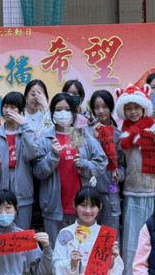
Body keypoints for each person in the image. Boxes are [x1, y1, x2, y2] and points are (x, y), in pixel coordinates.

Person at [34, 92, 108, 245]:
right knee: (57, 251)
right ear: (52, 113)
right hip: (54, 208)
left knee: (80, 249)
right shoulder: (47, 139)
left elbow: (101, 163)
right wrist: (53, 155)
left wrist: (85, 164)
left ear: (74, 112)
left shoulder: (78, 134)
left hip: (83, 208)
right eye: (58, 110)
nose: (63, 114)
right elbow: (38, 172)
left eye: (67, 109)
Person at [115, 85, 155, 275]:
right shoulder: (123, 133)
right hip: (132, 192)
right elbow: (120, 163)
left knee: (154, 241)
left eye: (137, 107)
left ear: (144, 108)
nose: (133, 112)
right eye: (128, 108)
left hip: (153, 193)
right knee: (132, 242)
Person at [0, 91, 45, 231]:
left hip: (23, 195)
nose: (8, 110)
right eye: (5, 106)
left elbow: (31, 154)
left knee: (22, 235)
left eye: (13, 107)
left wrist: (25, 126)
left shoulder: (28, 132)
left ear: (21, 111)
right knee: (0, 236)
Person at [88, 89, 123, 230]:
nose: (101, 111)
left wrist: (119, 175)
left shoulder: (118, 135)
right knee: (87, 235)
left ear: (111, 108)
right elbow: (78, 159)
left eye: (105, 106)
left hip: (110, 193)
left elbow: (123, 165)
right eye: (96, 107)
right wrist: (95, 139)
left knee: (109, 235)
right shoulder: (81, 132)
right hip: (88, 194)